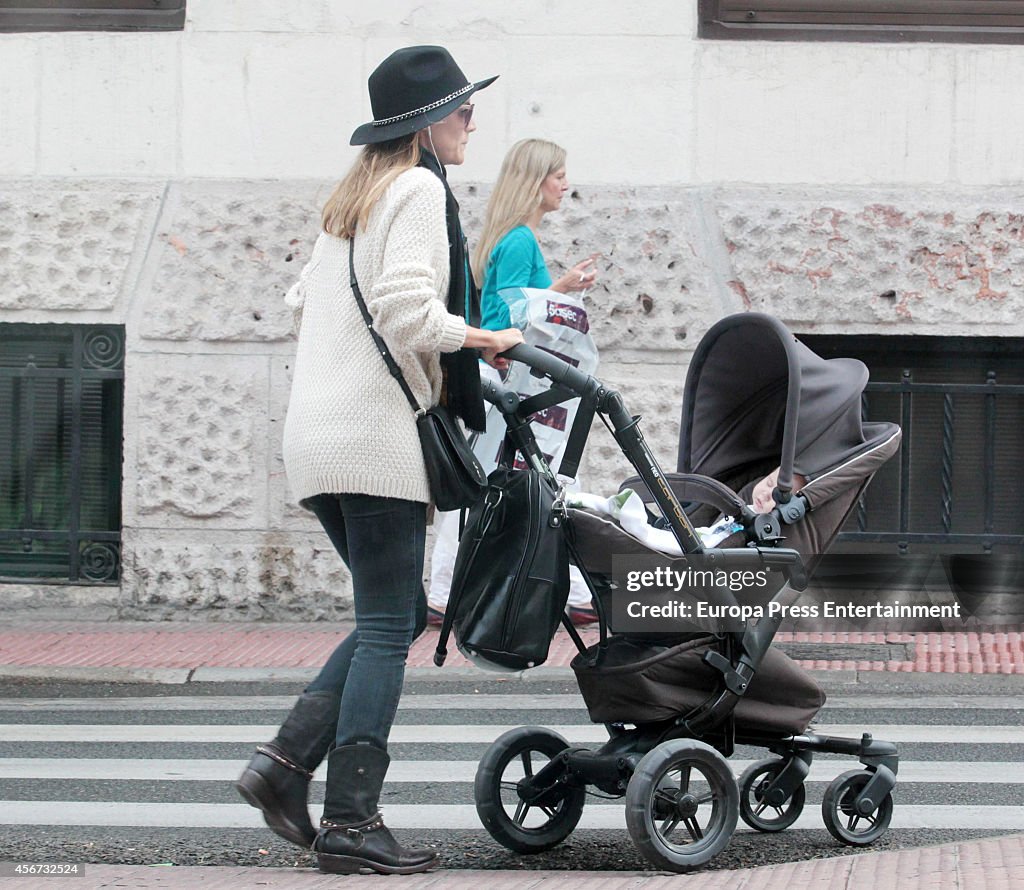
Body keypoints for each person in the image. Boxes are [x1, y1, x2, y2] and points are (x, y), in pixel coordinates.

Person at [235, 46, 523, 876]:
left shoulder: (351, 204)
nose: (474, 123)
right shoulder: (421, 189)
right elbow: (405, 308)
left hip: (316, 438)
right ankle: (353, 819)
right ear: (429, 123)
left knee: (380, 617)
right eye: (465, 110)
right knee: (391, 627)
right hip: (375, 439)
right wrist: (485, 337)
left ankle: (282, 769)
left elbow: (307, 301)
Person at [427, 138, 601, 626]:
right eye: (557, 174)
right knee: (553, 476)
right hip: (519, 386)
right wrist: (561, 289)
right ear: (534, 181)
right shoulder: (520, 239)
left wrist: (558, 288)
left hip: (511, 385)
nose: (565, 184)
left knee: (500, 480)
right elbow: (505, 317)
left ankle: (446, 592)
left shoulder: (510, 237)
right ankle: (578, 595)